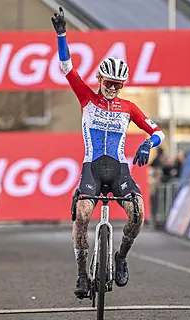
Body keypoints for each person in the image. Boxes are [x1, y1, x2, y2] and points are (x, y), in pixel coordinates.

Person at [51, 7, 166, 299]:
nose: (113, 89)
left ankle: (121, 257)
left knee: (137, 215)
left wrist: (146, 144)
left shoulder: (129, 108)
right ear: (100, 80)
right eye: (108, 83)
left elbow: (159, 132)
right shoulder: (87, 98)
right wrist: (62, 34)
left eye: (118, 85)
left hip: (119, 170)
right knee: (82, 214)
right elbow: (66, 67)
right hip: (92, 167)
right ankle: (80, 274)